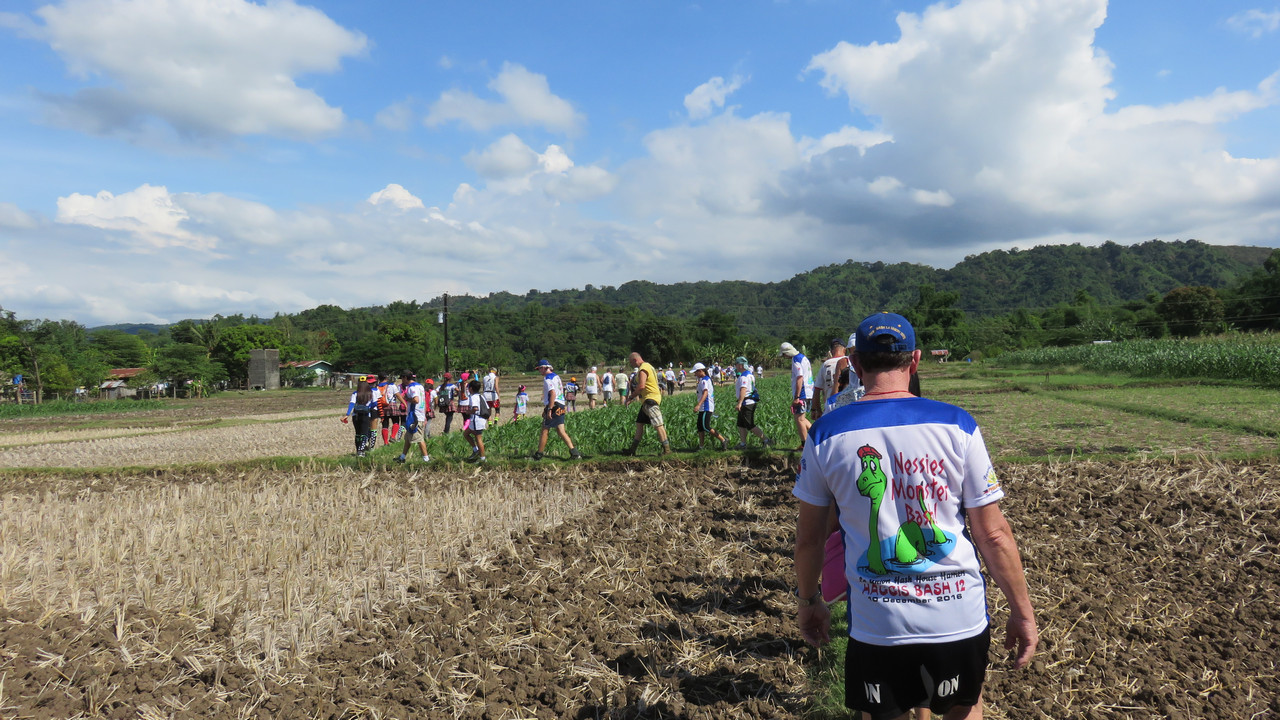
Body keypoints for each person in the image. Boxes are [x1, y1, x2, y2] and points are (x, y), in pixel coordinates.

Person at [792, 313, 1038, 720]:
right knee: (964, 709)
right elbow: (993, 535)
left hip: (878, 624)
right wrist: (1022, 611)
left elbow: (809, 539)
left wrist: (809, 600)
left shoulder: (825, 434)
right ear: (916, 360)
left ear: (855, 363)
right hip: (957, 617)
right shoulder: (958, 425)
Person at [533, 359, 583, 460]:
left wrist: (549, 409)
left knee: (545, 430)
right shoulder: (556, 376)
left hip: (554, 405)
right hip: (561, 405)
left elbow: (553, 394)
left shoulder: (548, 379)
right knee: (561, 430)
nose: (539, 371)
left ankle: (539, 455)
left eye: (539, 369)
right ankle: (575, 453)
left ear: (544, 368)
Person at [624, 351, 671, 456]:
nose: (631, 365)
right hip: (646, 400)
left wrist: (630, 397)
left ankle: (667, 450)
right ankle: (632, 450)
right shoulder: (649, 366)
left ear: (635, 360)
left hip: (650, 400)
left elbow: (641, 386)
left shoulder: (643, 369)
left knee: (658, 425)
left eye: (631, 363)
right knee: (639, 424)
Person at [733, 356, 772, 449]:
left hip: (747, 403)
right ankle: (743, 444)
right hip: (747, 402)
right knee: (741, 424)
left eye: (736, 364)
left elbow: (743, 390)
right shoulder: (749, 375)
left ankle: (766, 440)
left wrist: (739, 403)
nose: (735, 366)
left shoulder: (744, 377)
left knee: (749, 425)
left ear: (741, 365)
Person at [780, 341, 815, 447]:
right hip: (810, 391)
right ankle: (816, 437)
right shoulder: (803, 357)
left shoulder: (796, 360)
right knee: (801, 418)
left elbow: (799, 378)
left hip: (802, 393)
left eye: (784, 355)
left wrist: (797, 397)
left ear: (787, 353)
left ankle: (804, 445)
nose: (784, 357)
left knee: (799, 419)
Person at [692, 362, 728, 451]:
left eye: (695, 372)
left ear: (700, 371)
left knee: (705, 426)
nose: (695, 374)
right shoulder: (704, 380)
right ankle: (701, 447)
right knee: (700, 427)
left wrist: (698, 405)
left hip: (706, 406)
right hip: (703, 407)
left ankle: (723, 440)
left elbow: (705, 393)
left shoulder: (704, 381)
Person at [395, 373, 431, 463]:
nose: (402, 381)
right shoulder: (420, 386)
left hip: (414, 416)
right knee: (408, 438)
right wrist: (424, 416)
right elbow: (423, 401)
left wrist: (407, 399)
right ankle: (402, 457)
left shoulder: (411, 387)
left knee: (419, 438)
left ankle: (426, 459)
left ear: (405, 378)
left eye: (402, 378)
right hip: (420, 414)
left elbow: (416, 400)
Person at [814, 337, 850, 419]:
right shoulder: (848, 361)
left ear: (832, 351)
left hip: (830, 406)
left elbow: (817, 389)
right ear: (844, 349)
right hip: (847, 404)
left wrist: (817, 410)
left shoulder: (825, 364)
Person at [341, 376, 378, 457]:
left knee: (358, 434)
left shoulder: (355, 393)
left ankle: (358, 450)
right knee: (364, 433)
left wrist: (347, 414)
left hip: (356, 415)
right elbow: (375, 403)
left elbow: (352, 403)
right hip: (366, 415)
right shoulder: (371, 393)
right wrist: (369, 407)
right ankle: (361, 451)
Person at [461, 379, 490, 463]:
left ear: (471, 389)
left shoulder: (473, 397)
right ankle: (475, 450)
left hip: (477, 420)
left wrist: (468, 412)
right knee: (466, 434)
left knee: (478, 439)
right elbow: (487, 408)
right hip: (479, 420)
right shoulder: (481, 396)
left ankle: (482, 458)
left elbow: (475, 408)